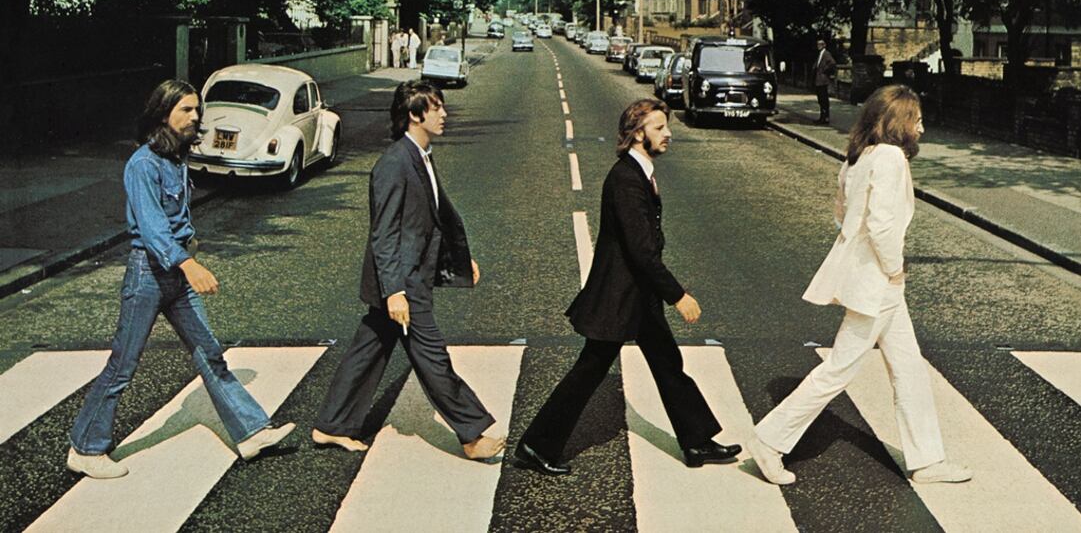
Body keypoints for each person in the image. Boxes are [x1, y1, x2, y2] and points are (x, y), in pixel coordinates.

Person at [67, 80, 295, 479]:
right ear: (162, 114)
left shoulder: (175, 158)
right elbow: (153, 230)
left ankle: (251, 431)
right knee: (123, 364)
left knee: (209, 352)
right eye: (186, 110)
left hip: (174, 273)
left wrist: (190, 241)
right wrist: (188, 264)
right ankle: (85, 448)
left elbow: (173, 220)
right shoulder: (142, 164)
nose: (195, 117)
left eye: (196, 110)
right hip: (150, 274)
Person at [747, 85, 972, 486]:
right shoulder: (889, 158)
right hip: (879, 284)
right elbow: (882, 225)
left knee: (909, 370)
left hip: (876, 283)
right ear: (899, 123)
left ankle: (926, 460)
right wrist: (893, 267)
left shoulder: (858, 157)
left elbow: (841, 214)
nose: (922, 127)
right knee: (837, 370)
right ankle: (770, 439)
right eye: (916, 119)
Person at [514, 99, 741, 476]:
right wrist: (678, 295)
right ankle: (536, 446)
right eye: (658, 128)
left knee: (669, 364)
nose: (667, 134)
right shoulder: (625, 179)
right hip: (620, 297)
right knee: (589, 370)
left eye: (666, 126)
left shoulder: (639, 173)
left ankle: (697, 440)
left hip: (637, 296)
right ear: (638, 134)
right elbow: (641, 252)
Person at [311, 80, 504, 460]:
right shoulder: (395, 163)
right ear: (415, 115)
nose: (444, 114)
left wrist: (459, 261)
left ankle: (330, 426)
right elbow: (383, 234)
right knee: (433, 358)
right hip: (404, 279)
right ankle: (471, 433)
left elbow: (429, 220)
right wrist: (394, 290)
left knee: (368, 349)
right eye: (436, 108)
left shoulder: (421, 155)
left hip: (411, 272)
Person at [812, 38, 836, 124]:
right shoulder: (820, 54)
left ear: (824, 45)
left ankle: (825, 118)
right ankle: (822, 117)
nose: (819, 46)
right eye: (818, 44)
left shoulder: (826, 54)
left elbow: (832, 63)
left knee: (824, 100)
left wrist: (825, 71)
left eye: (820, 44)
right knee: (821, 100)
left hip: (823, 80)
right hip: (819, 81)